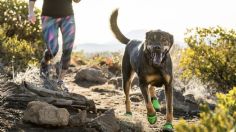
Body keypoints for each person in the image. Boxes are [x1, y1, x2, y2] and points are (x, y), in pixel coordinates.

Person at [28, 0, 81, 92]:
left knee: (68, 50)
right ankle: (44, 63)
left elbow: (77, 1)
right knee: (53, 49)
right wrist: (31, 12)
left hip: (68, 17)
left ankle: (60, 81)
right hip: (48, 17)